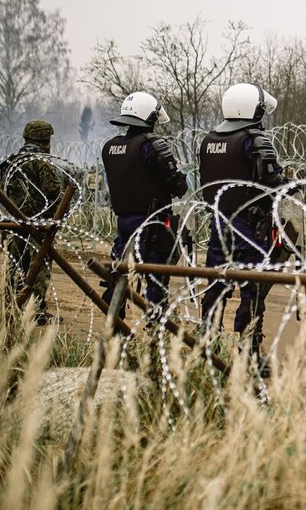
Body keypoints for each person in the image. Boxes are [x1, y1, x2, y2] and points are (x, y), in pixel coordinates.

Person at [198, 83, 288, 368]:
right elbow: (271, 183)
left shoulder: (209, 140)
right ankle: (248, 352)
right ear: (254, 109)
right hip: (250, 226)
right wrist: (289, 185)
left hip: (218, 221)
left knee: (216, 284)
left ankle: (206, 346)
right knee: (253, 289)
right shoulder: (254, 140)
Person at [101, 91, 188, 313]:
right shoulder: (152, 145)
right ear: (148, 117)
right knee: (156, 277)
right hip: (153, 222)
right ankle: (155, 326)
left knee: (122, 272)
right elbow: (178, 186)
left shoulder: (110, 147)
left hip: (124, 221)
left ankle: (114, 324)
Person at [0, 119, 63, 324]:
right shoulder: (41, 160)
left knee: (15, 264)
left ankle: (10, 305)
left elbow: (2, 189)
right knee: (39, 266)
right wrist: (57, 216)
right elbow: (53, 190)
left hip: (13, 221)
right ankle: (35, 310)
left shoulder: (11, 160)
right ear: (45, 139)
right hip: (38, 222)